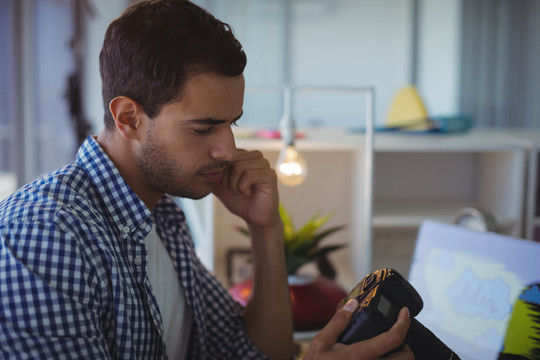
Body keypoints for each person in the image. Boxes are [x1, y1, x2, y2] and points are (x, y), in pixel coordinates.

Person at [0, 0, 413, 359]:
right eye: (203, 129)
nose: (228, 150)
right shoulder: (44, 235)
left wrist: (264, 228)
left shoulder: (161, 216)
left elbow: (250, 352)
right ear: (129, 118)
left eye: (233, 123)